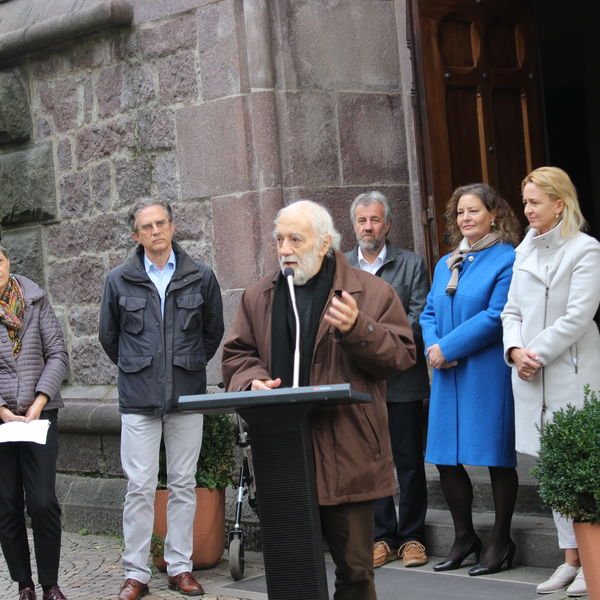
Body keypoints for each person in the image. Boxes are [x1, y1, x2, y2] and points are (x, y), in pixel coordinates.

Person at [222, 200, 416, 600]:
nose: (284, 249)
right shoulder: (260, 296)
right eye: (279, 239)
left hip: (348, 453)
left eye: (296, 239)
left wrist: (358, 328)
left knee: (356, 572)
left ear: (325, 242)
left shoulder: (370, 292)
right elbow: (237, 355)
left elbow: (400, 356)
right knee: (292, 572)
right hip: (283, 455)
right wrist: (251, 381)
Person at [99, 199, 224, 600]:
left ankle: (180, 567)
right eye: (147, 226)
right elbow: (110, 337)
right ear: (135, 235)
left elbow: (212, 332)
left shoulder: (200, 276)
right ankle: (136, 573)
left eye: (161, 223)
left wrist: (186, 365)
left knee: (184, 484)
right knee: (140, 487)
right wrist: (142, 368)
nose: (156, 231)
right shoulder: (118, 280)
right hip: (139, 399)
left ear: (172, 226)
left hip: (187, 396)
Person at [502, 166, 600, 597]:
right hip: (529, 373)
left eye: (535, 202)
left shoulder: (585, 249)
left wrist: (535, 355)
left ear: (560, 204)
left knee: (576, 469)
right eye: (525, 201)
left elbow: (579, 315)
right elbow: (511, 311)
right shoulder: (523, 252)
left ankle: (591, 562)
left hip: (569, 373)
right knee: (549, 468)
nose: (527, 209)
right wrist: (514, 351)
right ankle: (570, 558)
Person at [420, 183, 522, 576]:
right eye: (460, 212)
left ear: (494, 215)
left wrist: (448, 348)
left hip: (485, 372)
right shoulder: (447, 262)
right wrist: (434, 347)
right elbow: (429, 312)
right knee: (444, 457)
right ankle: (464, 537)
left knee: (496, 457)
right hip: (447, 373)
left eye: (474, 210)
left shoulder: (507, 258)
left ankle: (500, 539)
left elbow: (496, 315)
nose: (465, 218)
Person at [345, 191, 430, 569]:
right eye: (362, 220)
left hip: (402, 381)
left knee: (409, 462)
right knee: (372, 462)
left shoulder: (411, 265)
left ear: (388, 225)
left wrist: (371, 340)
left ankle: (412, 537)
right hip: (361, 384)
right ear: (354, 225)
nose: (368, 227)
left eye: (375, 220)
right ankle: (382, 537)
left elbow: (417, 319)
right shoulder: (341, 267)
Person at [0, 245, 69, 600]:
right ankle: (24, 584)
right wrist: (1, 409)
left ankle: (50, 584)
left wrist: (40, 400)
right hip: (1, 420)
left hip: (40, 415)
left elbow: (57, 353)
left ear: (7, 260)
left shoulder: (35, 300)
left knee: (43, 502)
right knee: (6, 503)